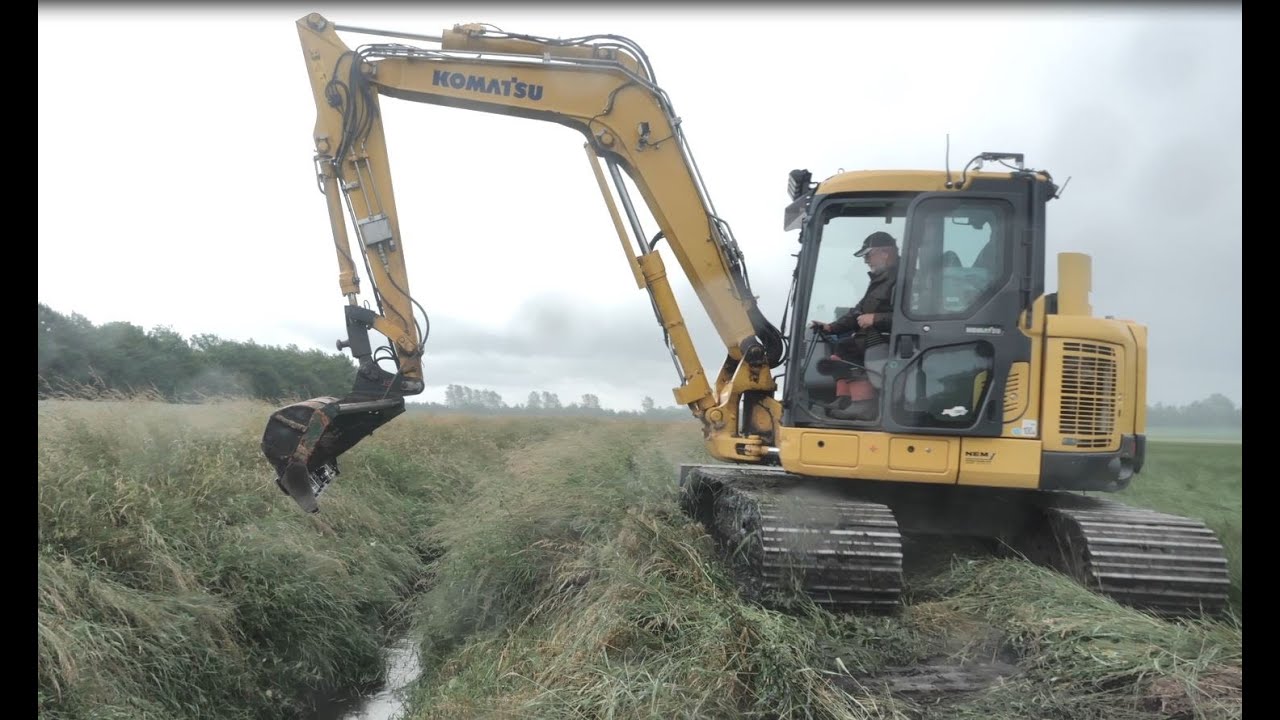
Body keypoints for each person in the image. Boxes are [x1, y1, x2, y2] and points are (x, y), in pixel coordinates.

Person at [809, 231, 899, 419]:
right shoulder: (881, 281)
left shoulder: (904, 280)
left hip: (892, 341)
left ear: (884, 253)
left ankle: (864, 404)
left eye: (868, 255)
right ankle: (844, 399)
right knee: (842, 346)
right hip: (875, 337)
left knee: (851, 348)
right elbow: (859, 311)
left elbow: (911, 315)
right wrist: (831, 327)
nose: (866, 261)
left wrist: (876, 318)